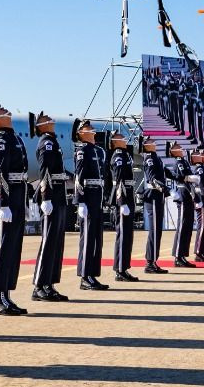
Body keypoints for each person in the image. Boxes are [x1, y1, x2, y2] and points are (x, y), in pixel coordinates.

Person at [0, 103, 29, 314]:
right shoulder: (1, 140)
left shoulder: (15, 138)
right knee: (2, 249)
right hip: (8, 199)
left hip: (17, 197)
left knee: (13, 249)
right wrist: (3, 203)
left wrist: (24, 202)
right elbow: (1, 172)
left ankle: (6, 295)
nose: (5, 109)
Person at [30, 111, 70, 301]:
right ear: (41, 125)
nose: (50, 118)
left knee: (56, 242)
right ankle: (39, 286)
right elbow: (44, 170)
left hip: (58, 194)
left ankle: (49, 284)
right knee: (48, 242)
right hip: (51, 195)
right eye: (45, 118)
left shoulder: (53, 142)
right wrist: (45, 197)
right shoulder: (46, 143)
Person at [73, 118, 110, 289]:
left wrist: (106, 197)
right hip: (87, 197)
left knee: (96, 239)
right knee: (87, 238)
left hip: (98, 197)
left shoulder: (100, 151)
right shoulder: (82, 151)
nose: (92, 129)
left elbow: (104, 175)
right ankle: (84, 276)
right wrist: (80, 201)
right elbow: (78, 178)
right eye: (87, 128)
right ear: (81, 133)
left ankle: (92, 275)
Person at [109, 131, 139, 282]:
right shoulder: (118, 156)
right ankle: (119, 270)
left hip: (129, 196)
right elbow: (119, 179)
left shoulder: (126, 154)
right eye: (121, 137)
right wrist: (122, 202)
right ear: (114, 141)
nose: (124, 139)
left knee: (128, 235)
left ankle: (124, 268)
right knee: (122, 235)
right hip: (122, 198)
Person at [139, 135, 169, 273]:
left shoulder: (156, 157)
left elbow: (166, 173)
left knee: (157, 230)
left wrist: (184, 178)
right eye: (150, 141)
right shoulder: (149, 158)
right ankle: (150, 263)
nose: (153, 142)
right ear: (145, 145)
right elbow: (152, 178)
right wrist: (163, 188)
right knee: (154, 230)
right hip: (153, 196)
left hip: (158, 195)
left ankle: (153, 261)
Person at [166, 141, 198, 267]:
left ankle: (183, 255)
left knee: (188, 227)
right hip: (183, 194)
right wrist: (190, 178)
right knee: (182, 227)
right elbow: (182, 176)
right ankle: (178, 256)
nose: (181, 148)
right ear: (173, 151)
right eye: (177, 147)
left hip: (188, 194)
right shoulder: (179, 162)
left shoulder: (184, 162)